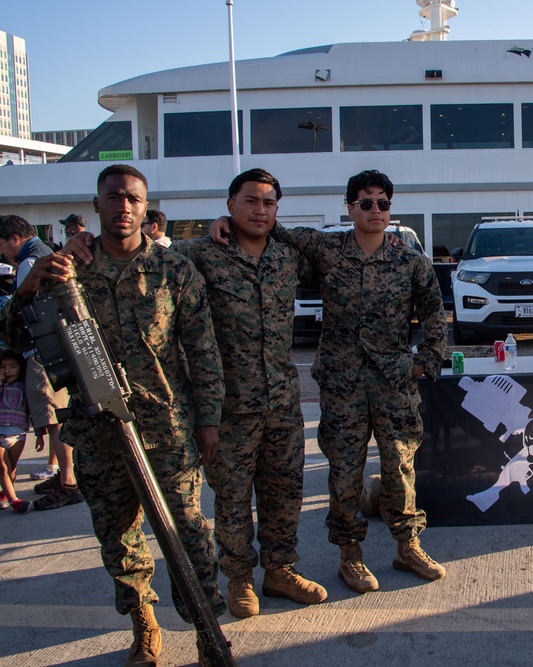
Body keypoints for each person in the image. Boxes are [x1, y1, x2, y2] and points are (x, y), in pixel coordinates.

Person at [69, 168, 327, 618]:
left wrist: (276, 226)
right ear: (229, 206)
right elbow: (144, 254)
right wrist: (79, 244)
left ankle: (282, 570)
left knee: (285, 494)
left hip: (282, 401)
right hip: (229, 407)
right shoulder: (198, 254)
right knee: (230, 500)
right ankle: (240, 578)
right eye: (249, 201)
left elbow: (326, 253)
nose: (259, 210)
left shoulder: (289, 258)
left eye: (269, 203)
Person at [0, 164, 227, 665]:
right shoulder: (66, 270)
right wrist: (27, 290)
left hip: (166, 426)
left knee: (189, 531)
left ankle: (207, 627)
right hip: (97, 429)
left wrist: (208, 420)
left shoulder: (175, 271)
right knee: (118, 534)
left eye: (133, 199)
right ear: (97, 204)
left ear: (145, 208)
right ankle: (143, 622)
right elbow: (16, 342)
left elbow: (203, 351)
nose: (123, 207)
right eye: (114, 197)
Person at [210, 169, 448, 594]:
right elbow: (271, 229)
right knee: (344, 474)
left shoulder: (409, 260)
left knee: (400, 468)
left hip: (394, 383)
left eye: (383, 203)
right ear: (350, 207)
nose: (375, 210)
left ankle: (407, 545)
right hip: (343, 384)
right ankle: (349, 556)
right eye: (365, 202)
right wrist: (224, 223)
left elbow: (434, 311)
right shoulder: (326, 248)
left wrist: (425, 361)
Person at [0, 214, 79, 510]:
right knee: (56, 417)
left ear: (14, 238)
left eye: (2, 245)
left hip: (43, 353)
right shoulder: (46, 253)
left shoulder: (29, 263)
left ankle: (68, 481)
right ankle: (63, 476)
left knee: (54, 419)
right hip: (58, 350)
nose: (2, 253)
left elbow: (23, 314)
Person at [0, 350, 32, 513]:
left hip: (18, 434)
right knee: (3, 467)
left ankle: (5, 493)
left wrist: (39, 433)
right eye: (3, 367)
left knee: (11, 468)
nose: (7, 370)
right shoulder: (2, 386)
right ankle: (15, 501)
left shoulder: (24, 386)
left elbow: (31, 409)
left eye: (12, 366)